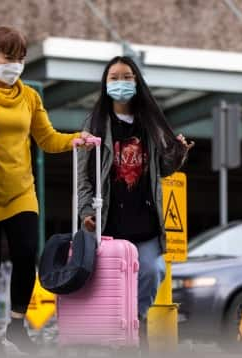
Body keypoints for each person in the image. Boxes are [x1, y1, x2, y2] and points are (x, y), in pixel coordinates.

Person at [0, 26, 92, 356]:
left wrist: (77, 139)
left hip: (21, 190)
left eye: (21, 59)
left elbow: (48, 139)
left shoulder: (30, 97)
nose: (16, 65)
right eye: (10, 58)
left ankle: (17, 324)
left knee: (26, 256)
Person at [77, 56, 194, 329]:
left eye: (127, 77)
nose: (121, 83)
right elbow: (83, 177)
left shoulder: (150, 123)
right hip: (108, 220)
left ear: (137, 82)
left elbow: (163, 170)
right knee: (108, 278)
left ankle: (135, 322)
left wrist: (179, 154)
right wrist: (85, 212)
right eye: (114, 77)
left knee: (153, 271)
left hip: (145, 220)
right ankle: (111, 328)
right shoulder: (94, 124)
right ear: (105, 84)